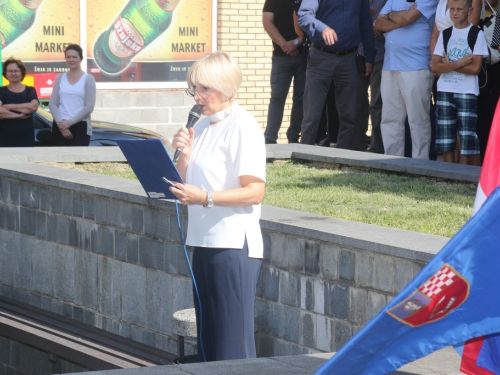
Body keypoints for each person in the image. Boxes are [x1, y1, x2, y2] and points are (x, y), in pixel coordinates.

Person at [169, 52, 266, 362]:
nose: (197, 97)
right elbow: (184, 184)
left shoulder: (243, 125)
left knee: (231, 347)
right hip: (202, 242)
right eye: (193, 89)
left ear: (226, 87)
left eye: (204, 89)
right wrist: (184, 154)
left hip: (233, 246)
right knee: (208, 345)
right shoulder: (205, 126)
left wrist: (206, 198)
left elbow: (255, 191)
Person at [298, 0, 375, 149]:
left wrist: (369, 56)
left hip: (349, 58)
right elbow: (303, 16)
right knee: (312, 114)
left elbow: (365, 23)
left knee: (349, 115)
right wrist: (322, 28)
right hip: (321, 57)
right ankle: (304, 155)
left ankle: (343, 158)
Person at [375, 0, 439, 160]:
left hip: (416, 65)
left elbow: (408, 18)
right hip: (390, 64)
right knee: (390, 118)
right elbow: (378, 24)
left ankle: (420, 163)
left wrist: (391, 16)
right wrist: (398, 18)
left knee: (418, 119)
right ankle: (392, 161)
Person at [431, 0, 488, 166]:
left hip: (467, 91)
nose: (455, 13)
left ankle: (472, 176)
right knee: (446, 139)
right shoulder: (445, 34)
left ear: (470, 10)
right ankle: (449, 175)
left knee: (468, 139)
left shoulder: (476, 34)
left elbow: (475, 68)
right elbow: (435, 66)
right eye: (452, 9)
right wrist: (460, 63)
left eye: (460, 9)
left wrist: (447, 65)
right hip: (444, 89)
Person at [263, 0, 305, 144]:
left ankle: (294, 137)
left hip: (304, 56)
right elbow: (267, 22)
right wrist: (285, 45)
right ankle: (270, 138)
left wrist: (295, 43)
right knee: (277, 98)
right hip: (281, 56)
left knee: (301, 99)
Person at [49, 44, 96, 146]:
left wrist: (69, 123)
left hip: (80, 126)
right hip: (60, 124)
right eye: (68, 57)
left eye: (74, 57)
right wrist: (61, 125)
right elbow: (53, 103)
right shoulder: (60, 77)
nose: (71, 60)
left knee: (78, 160)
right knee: (60, 160)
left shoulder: (88, 79)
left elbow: (89, 107)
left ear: (81, 59)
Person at [357, 0, 387, 154]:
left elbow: (396, 21)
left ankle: (376, 147)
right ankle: (357, 145)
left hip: (380, 55)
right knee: (356, 103)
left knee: (377, 104)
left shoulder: (388, 1)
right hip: (358, 55)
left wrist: (381, 28)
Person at [0, 58, 39, 147]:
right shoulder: (1, 91)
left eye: (16, 71)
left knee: (26, 160)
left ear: (22, 73)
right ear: (5, 73)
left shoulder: (30, 90)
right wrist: (18, 116)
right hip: (5, 136)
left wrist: (8, 106)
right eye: (10, 71)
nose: (13, 73)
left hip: (26, 136)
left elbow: (33, 107)